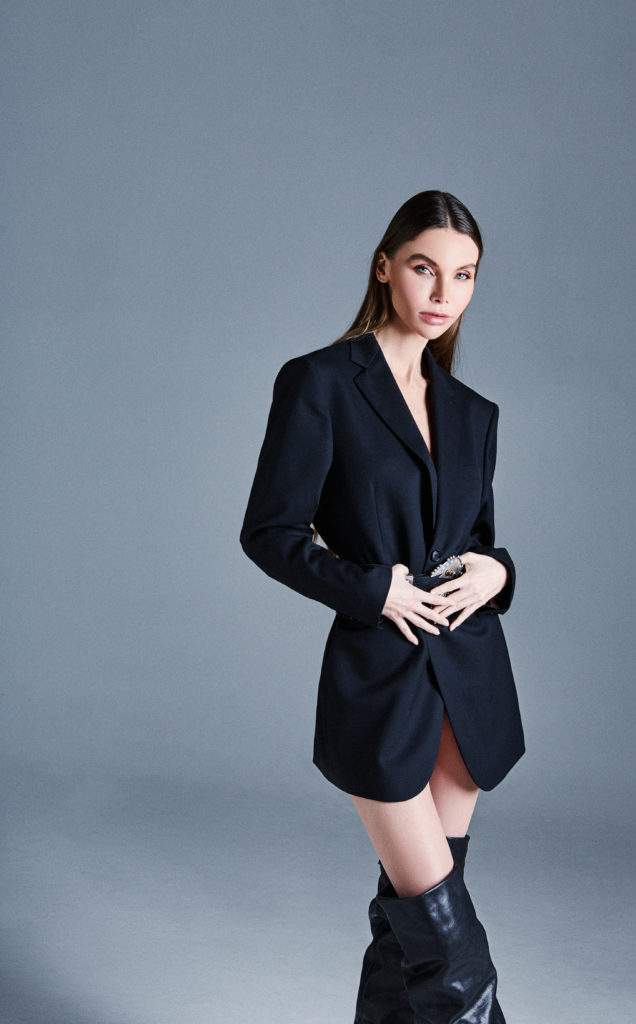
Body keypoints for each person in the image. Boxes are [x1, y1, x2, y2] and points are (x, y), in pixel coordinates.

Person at [240, 190, 525, 1023]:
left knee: (410, 932)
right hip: (381, 677)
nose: (442, 292)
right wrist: (374, 589)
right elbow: (269, 532)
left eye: (463, 275)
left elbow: (475, 539)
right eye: (424, 268)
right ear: (384, 267)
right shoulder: (321, 382)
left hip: (469, 675)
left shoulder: (473, 414)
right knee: (450, 951)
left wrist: (498, 572)